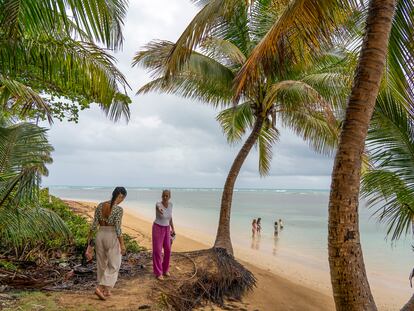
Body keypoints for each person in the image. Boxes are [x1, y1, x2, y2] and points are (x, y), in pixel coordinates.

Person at [87, 187, 127, 300]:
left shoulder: (100, 205)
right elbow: (118, 229)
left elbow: (94, 225)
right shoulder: (118, 209)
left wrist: (89, 244)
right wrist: (122, 244)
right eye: (122, 198)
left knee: (102, 263)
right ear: (121, 196)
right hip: (111, 235)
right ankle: (99, 288)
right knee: (115, 264)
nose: (122, 200)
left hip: (100, 235)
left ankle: (107, 290)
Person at [152, 189, 175, 280]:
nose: (165, 197)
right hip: (157, 228)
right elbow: (159, 208)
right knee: (157, 251)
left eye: (167, 196)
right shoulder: (158, 204)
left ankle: (165, 270)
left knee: (168, 250)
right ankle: (158, 272)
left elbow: (170, 217)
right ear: (161, 196)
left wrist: (173, 228)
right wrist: (160, 210)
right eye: (163, 195)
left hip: (167, 228)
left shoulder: (171, 205)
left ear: (169, 196)